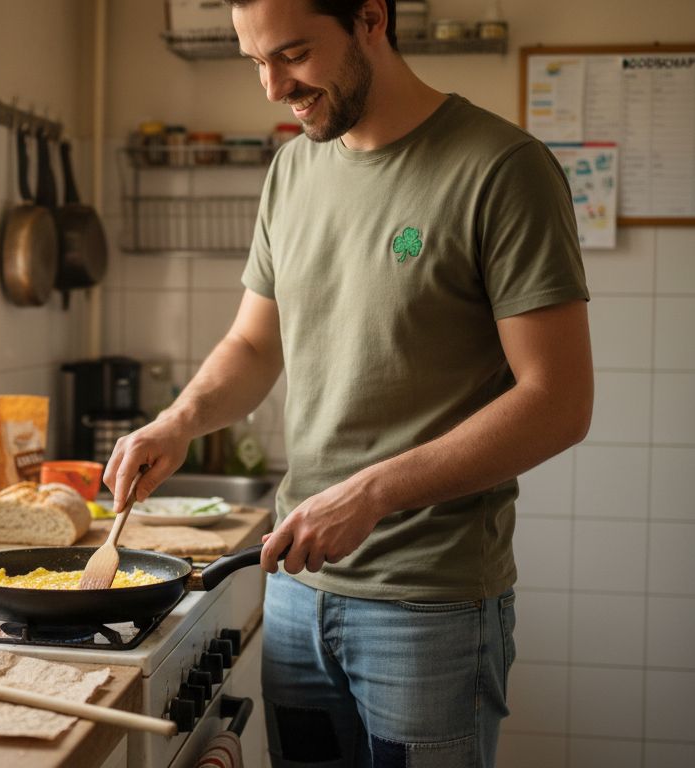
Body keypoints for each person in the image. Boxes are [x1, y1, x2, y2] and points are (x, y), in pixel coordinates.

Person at [103, 0, 593, 764]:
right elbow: (253, 344)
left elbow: (557, 403)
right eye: (256, 61)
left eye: (293, 54)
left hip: (426, 605)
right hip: (296, 591)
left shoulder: (501, 168)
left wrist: (370, 493)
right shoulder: (293, 168)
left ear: (371, 19)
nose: (274, 87)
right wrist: (179, 420)